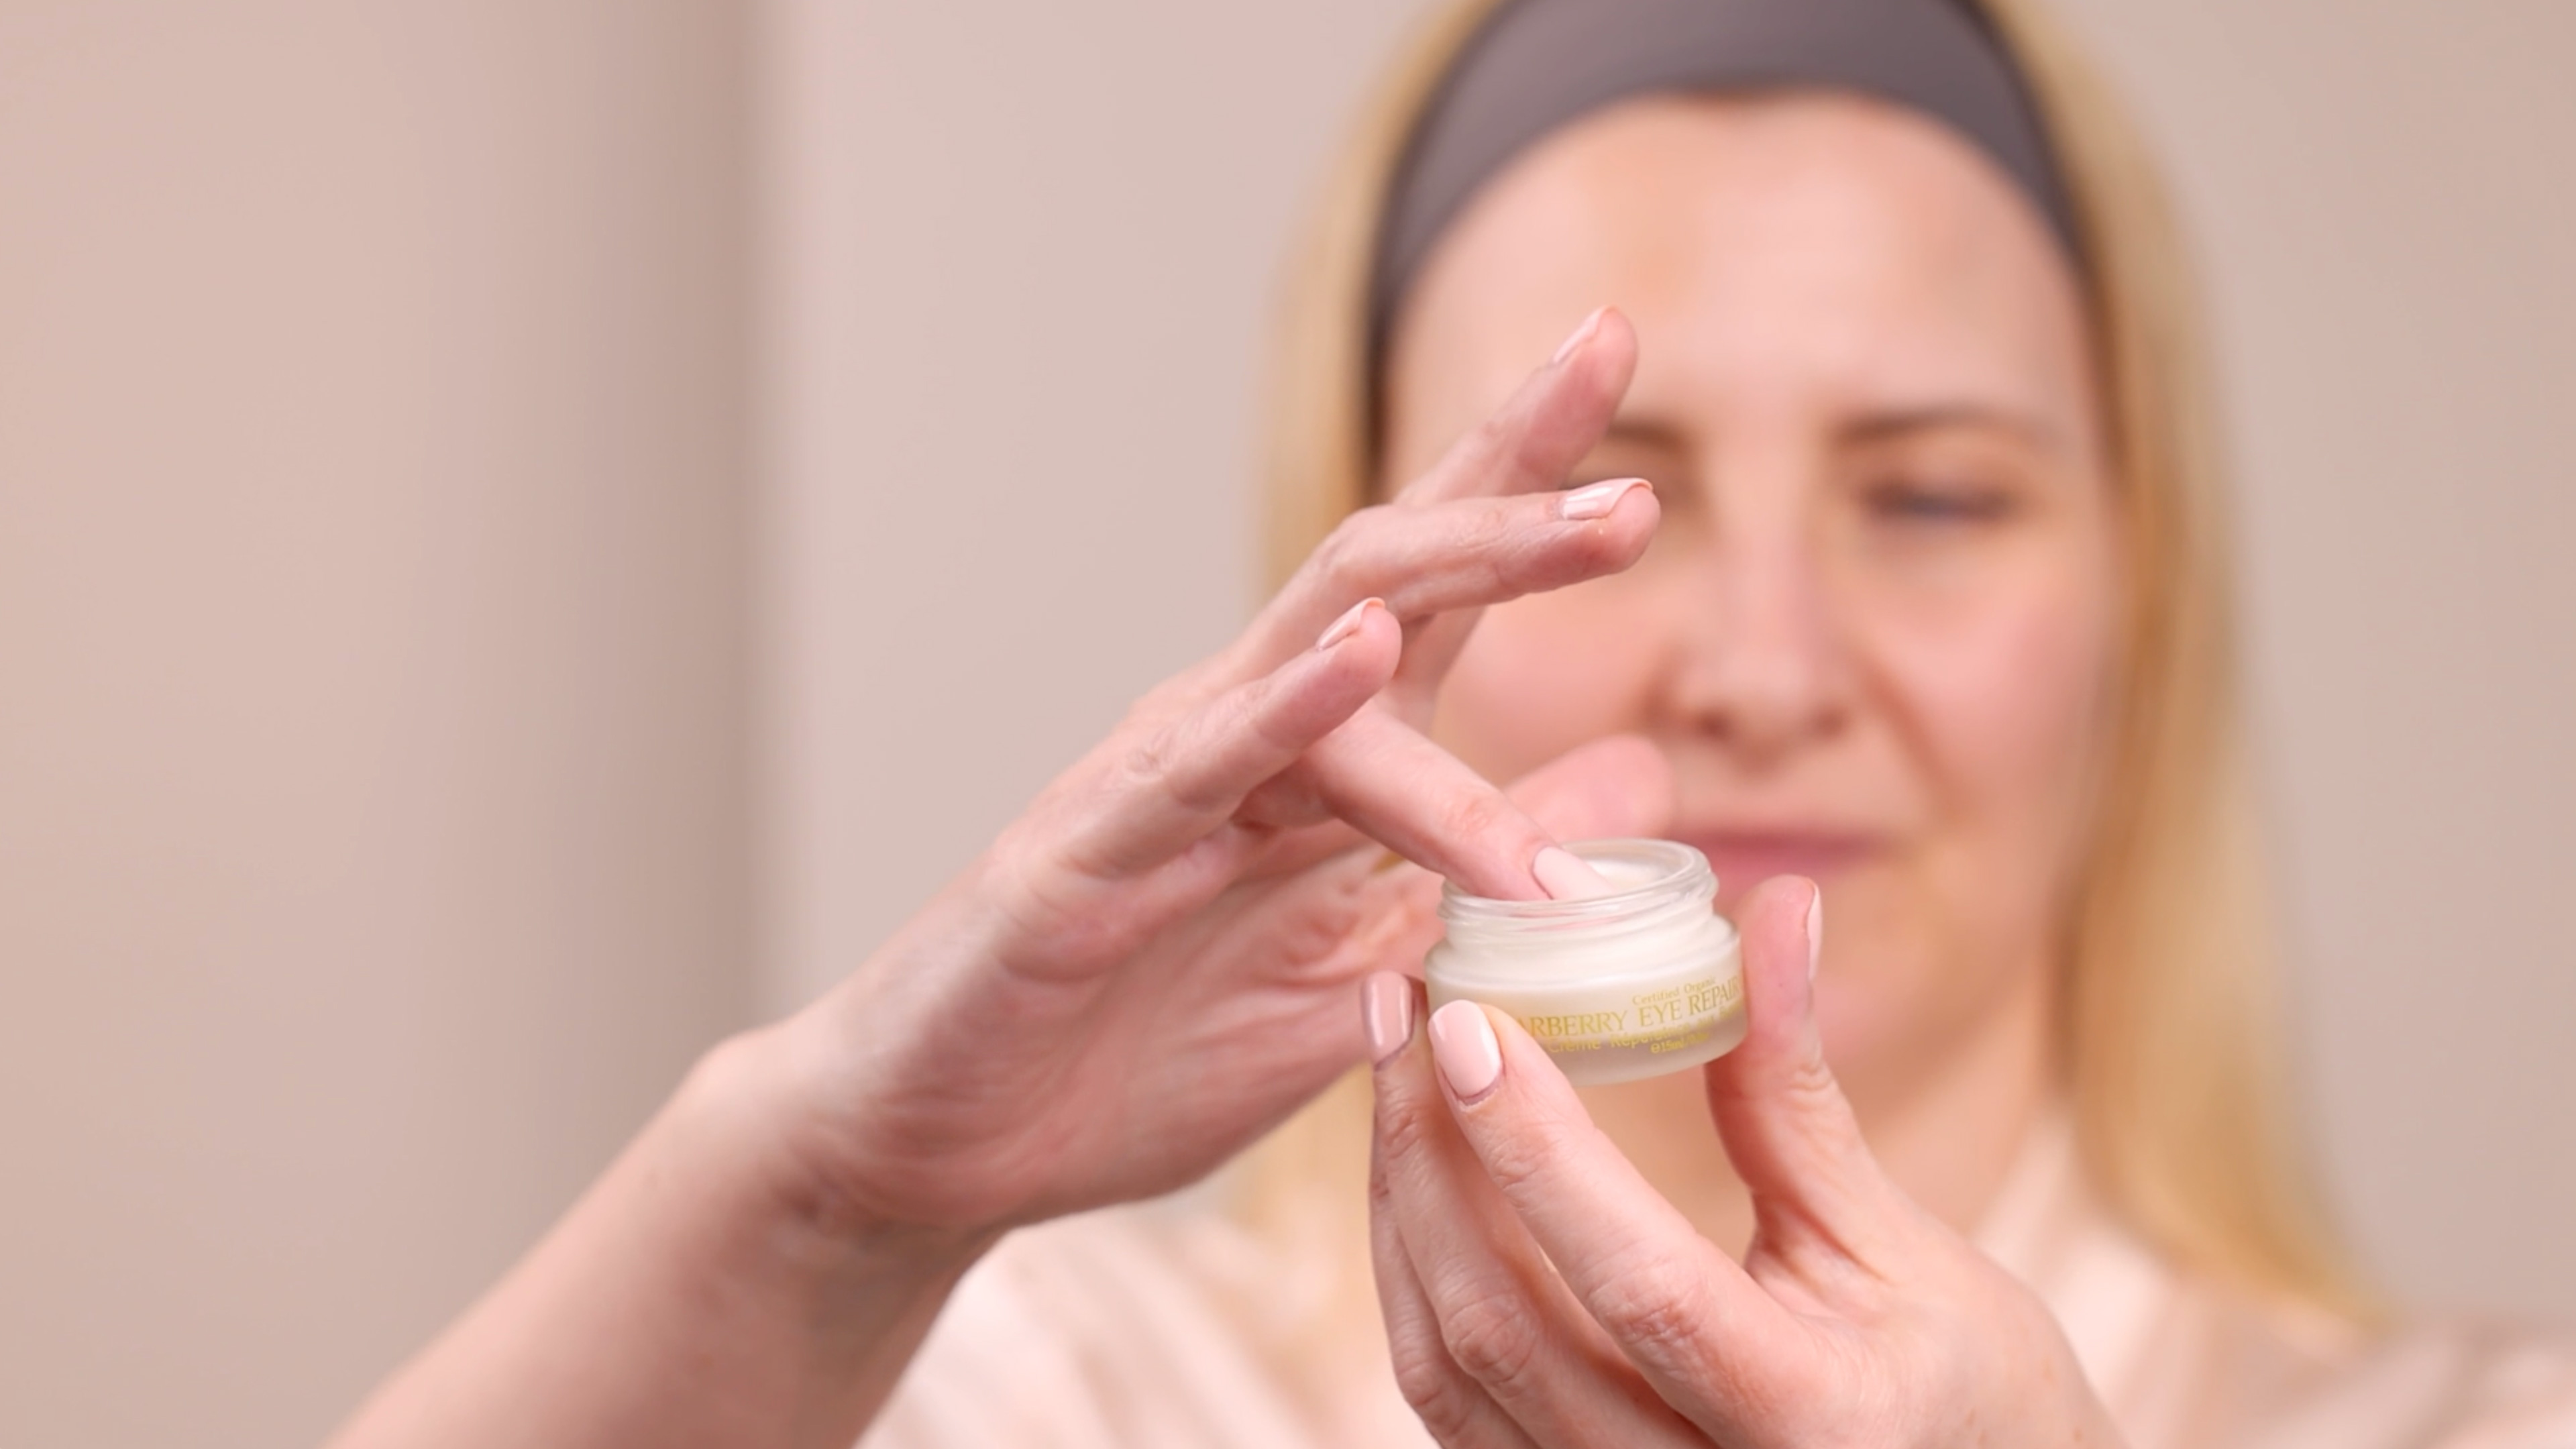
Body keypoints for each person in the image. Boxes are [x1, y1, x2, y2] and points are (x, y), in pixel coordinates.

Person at [328, 1, 2576, 1446]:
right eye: (1610, 516)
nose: (1770, 667)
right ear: (1375, 580)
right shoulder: (1052, 1405)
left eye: (1932, 495)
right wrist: (826, 1198)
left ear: (2141, 595)